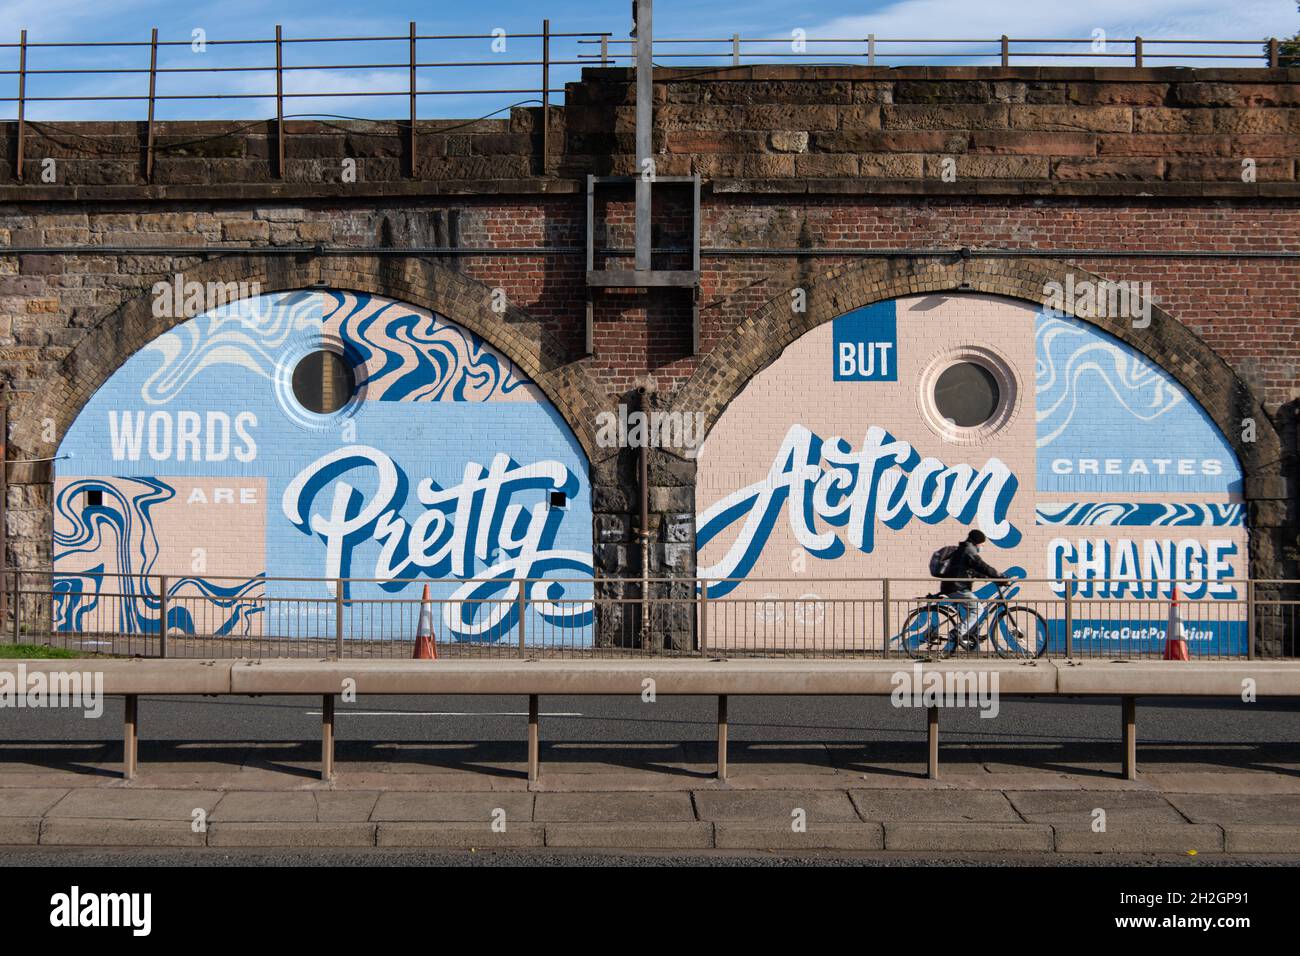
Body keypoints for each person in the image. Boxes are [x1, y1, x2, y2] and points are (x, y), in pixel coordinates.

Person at [938, 529, 1006, 649]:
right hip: (956, 587)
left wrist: (986, 577)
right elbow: (981, 565)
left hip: (954, 586)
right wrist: (999, 576)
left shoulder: (963, 550)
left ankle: (965, 634)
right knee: (977, 609)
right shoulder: (969, 551)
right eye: (982, 543)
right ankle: (957, 632)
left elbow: (971, 570)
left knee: (972, 608)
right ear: (976, 542)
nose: (982, 546)